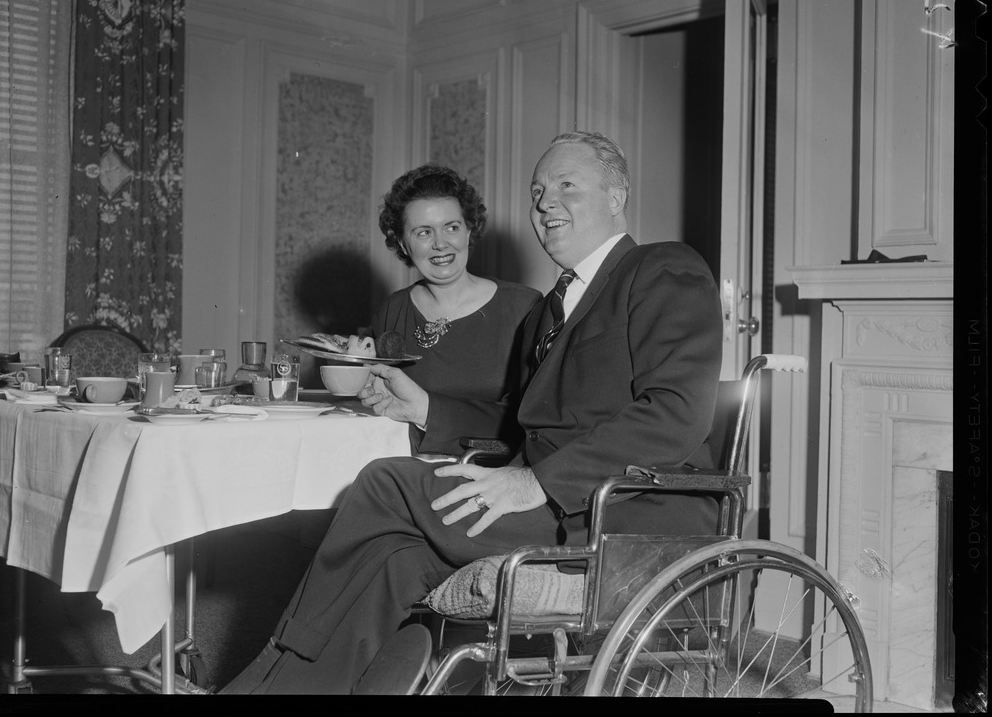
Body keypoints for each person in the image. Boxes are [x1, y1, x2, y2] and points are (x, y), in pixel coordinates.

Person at [221, 131, 723, 695]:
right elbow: (521, 425)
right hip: (554, 508)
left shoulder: (661, 269)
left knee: (387, 482)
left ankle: (262, 681)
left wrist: (536, 482)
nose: (545, 203)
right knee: (394, 561)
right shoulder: (550, 312)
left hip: (625, 514)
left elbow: (677, 413)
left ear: (616, 196)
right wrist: (427, 406)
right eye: (537, 191)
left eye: (566, 186)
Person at [368, 164, 542, 456]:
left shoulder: (524, 307)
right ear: (402, 243)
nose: (440, 244)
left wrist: (426, 410)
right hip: (404, 461)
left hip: (491, 474)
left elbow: (534, 426)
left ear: (469, 230)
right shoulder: (393, 309)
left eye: (451, 227)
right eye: (423, 232)